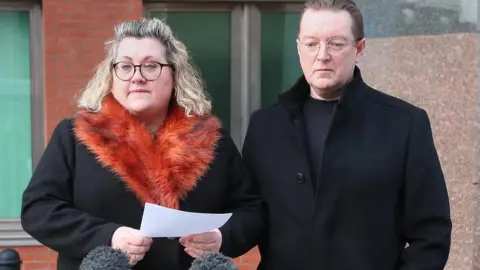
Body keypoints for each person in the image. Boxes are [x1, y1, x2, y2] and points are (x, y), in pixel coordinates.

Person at [21, 18, 264, 270]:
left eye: (150, 66)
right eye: (125, 66)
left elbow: (252, 212)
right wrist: (108, 237)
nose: (137, 77)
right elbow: (39, 210)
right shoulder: (73, 137)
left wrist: (221, 237)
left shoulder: (213, 140)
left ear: (174, 74)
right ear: (111, 75)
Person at [242, 0, 452, 269]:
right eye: (311, 43)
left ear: (359, 47)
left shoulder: (405, 124)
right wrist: (215, 236)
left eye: (336, 43)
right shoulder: (265, 126)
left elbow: (431, 234)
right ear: (298, 47)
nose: (322, 55)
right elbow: (248, 215)